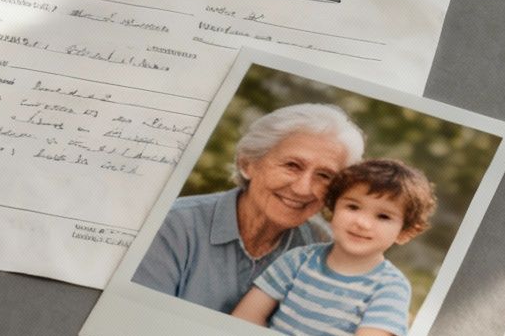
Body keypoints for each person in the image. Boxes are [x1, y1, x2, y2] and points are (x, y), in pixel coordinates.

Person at [133, 103, 364, 313]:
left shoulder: (322, 247)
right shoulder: (171, 225)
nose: (303, 189)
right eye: (292, 165)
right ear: (247, 164)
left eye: (324, 175)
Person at [230, 158, 436, 336]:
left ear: (404, 232)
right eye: (353, 207)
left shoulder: (390, 286)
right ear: (333, 209)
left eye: (383, 216)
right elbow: (248, 313)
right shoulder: (299, 259)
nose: (362, 223)